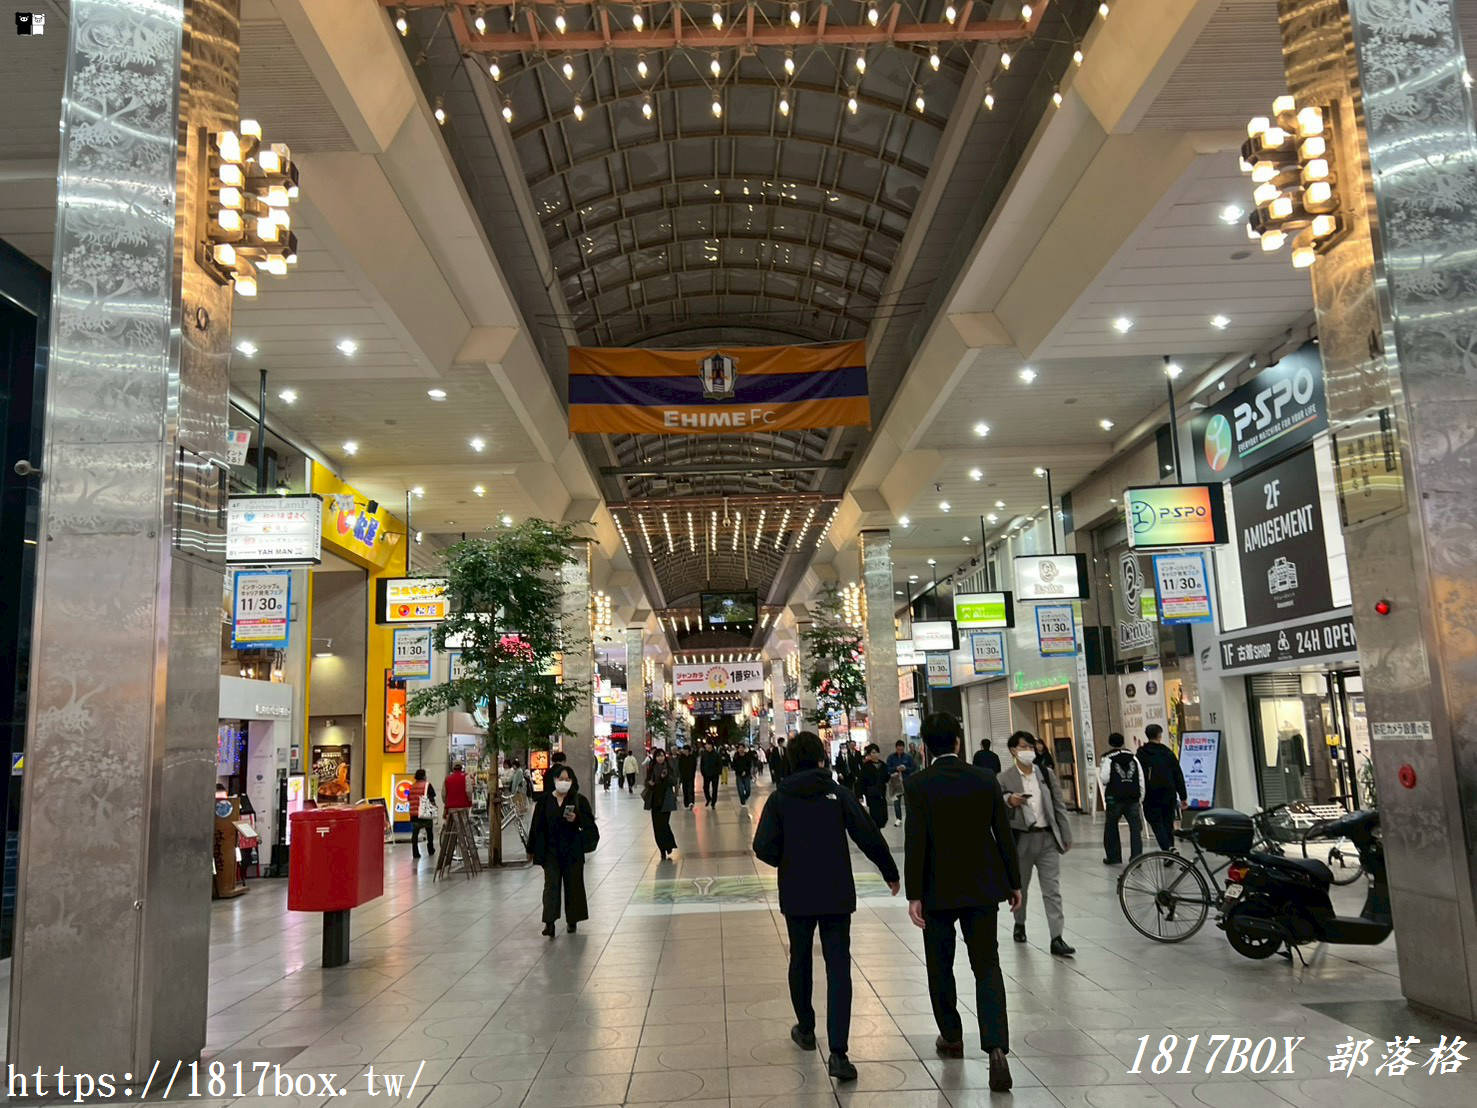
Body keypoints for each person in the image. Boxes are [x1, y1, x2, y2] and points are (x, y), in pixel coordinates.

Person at [752, 731, 900, 1083]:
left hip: (797, 893)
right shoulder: (838, 794)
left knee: (800, 958)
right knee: (838, 965)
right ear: (822, 758)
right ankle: (838, 1052)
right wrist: (890, 872)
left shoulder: (780, 798)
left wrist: (787, 861)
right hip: (835, 892)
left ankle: (805, 1028)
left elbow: (762, 847)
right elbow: (866, 832)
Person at [904, 713, 1020, 1092]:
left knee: (940, 964)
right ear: (957, 742)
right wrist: (1013, 882)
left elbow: (915, 840)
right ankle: (996, 1048)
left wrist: (914, 894)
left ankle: (952, 1035)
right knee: (987, 965)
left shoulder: (918, 784)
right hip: (983, 887)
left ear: (925, 746)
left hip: (937, 890)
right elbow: (1003, 834)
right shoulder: (984, 779)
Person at [998, 732, 1075, 957]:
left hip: (1047, 838)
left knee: (1052, 890)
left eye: (1031, 746)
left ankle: (1056, 937)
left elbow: (1058, 805)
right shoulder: (1004, 778)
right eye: (1023, 747)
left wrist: (1065, 833)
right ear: (1013, 750)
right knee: (1020, 887)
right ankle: (1019, 923)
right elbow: (996, 806)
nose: (1028, 750)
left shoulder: (1046, 774)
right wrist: (1009, 800)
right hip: (1022, 839)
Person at [526, 765, 596, 937]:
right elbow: (536, 826)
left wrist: (576, 819)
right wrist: (532, 848)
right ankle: (549, 922)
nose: (564, 782)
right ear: (554, 780)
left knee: (573, 885)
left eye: (567, 779)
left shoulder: (579, 800)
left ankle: (573, 919)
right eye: (561, 779)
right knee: (551, 886)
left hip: (572, 851)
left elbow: (589, 826)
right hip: (551, 852)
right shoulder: (544, 802)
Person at [1137, 723, 1186, 850]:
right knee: (1168, 822)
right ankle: (1170, 849)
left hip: (1150, 793)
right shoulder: (1167, 753)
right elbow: (1178, 774)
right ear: (1160, 735)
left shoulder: (1141, 753)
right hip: (1169, 792)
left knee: (1155, 822)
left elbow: (1139, 775)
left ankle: (1167, 849)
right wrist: (1183, 796)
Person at [1098, 732, 1144, 865]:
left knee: (1111, 826)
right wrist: (1140, 796)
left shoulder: (1107, 758)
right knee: (1135, 828)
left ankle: (1114, 856)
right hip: (1132, 797)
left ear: (1110, 743)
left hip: (1115, 797)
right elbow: (1140, 778)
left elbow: (1104, 778)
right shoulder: (1133, 757)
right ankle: (1137, 857)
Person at [644, 747, 679, 859]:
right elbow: (646, 782)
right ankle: (662, 849)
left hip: (666, 800)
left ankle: (668, 845)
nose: (660, 758)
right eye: (658, 756)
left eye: (662, 756)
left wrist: (666, 777)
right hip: (655, 800)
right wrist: (650, 783)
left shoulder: (668, 767)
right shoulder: (651, 768)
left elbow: (674, 781)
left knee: (664, 825)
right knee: (657, 826)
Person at [408, 768, 437, 861]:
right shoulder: (427, 785)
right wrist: (434, 806)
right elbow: (432, 798)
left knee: (415, 833)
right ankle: (430, 849)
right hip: (424, 812)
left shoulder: (411, 786)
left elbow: (408, 798)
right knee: (429, 831)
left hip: (414, 813)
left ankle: (415, 852)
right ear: (424, 776)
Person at [857, 744, 889, 829]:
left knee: (883, 816)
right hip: (871, 794)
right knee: (874, 816)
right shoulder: (866, 766)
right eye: (872, 753)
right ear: (869, 754)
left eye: (876, 752)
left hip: (881, 793)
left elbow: (886, 778)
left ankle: (879, 828)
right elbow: (861, 781)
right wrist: (860, 795)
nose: (874, 754)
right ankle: (876, 831)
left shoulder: (883, 765)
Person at [885, 739, 916, 825]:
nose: (900, 751)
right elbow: (887, 769)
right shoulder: (891, 757)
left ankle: (910, 818)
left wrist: (905, 768)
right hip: (895, 783)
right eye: (898, 749)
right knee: (896, 803)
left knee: (908, 802)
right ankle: (898, 819)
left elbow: (913, 767)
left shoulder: (908, 757)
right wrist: (896, 768)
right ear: (896, 748)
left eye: (901, 750)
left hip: (906, 782)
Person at [699, 742, 723, 807]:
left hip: (715, 774)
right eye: (707, 747)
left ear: (712, 747)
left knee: (715, 789)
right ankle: (708, 798)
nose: (708, 749)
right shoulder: (704, 754)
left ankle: (713, 802)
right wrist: (702, 772)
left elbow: (720, 764)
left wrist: (718, 772)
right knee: (705, 788)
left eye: (709, 747)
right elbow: (702, 764)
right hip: (706, 774)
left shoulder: (716, 754)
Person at [677, 744, 698, 809]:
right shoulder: (681, 758)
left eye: (686, 750)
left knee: (691, 789)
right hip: (683, 776)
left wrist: (693, 773)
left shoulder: (692, 757)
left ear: (689, 751)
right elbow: (679, 767)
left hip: (691, 776)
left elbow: (694, 766)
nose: (685, 751)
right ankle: (686, 803)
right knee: (685, 789)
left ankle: (691, 802)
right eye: (684, 750)